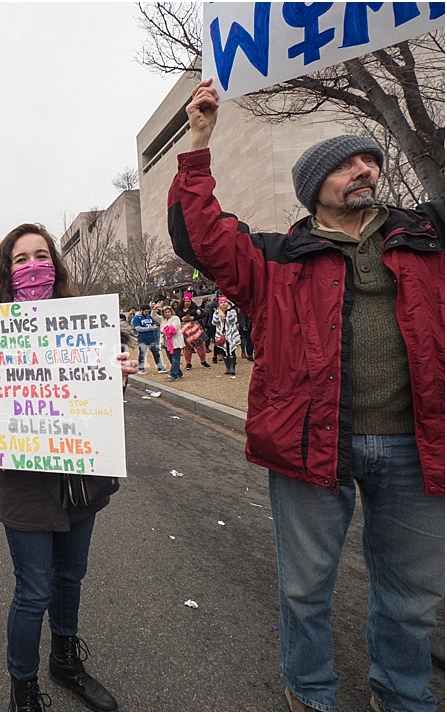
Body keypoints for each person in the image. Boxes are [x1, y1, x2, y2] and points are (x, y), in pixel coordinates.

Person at [169, 78, 444, 713]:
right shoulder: (274, 259)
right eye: (347, 164)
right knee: (304, 588)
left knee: (413, 594)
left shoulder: (427, 236)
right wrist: (201, 139)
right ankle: (311, 692)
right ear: (313, 186)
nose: (364, 170)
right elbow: (199, 235)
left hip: (419, 447)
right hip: (310, 445)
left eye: (369, 160)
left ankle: (402, 696)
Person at [0, 223, 136, 713]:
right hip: (23, 484)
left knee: (71, 575)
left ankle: (65, 662)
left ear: (55, 264)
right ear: (7, 270)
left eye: (40, 256)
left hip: (79, 481)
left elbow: (98, 401)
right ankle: (22, 684)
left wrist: (119, 376)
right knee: (34, 590)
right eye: (20, 259)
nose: (32, 266)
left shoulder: (86, 323)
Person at [176, 293, 211, 370]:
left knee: (200, 346)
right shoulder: (178, 310)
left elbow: (204, 314)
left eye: (189, 301)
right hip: (184, 330)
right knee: (186, 347)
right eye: (186, 301)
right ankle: (188, 363)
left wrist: (193, 318)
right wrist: (181, 319)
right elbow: (175, 317)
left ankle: (203, 361)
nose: (187, 303)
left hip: (196, 330)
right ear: (183, 302)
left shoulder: (196, 308)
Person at [132, 305, 166, 375]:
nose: (147, 313)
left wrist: (154, 327)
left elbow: (153, 324)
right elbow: (138, 328)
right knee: (142, 354)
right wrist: (150, 328)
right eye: (145, 311)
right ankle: (141, 368)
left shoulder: (149, 316)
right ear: (141, 310)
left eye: (148, 311)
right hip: (142, 338)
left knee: (156, 353)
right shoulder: (136, 318)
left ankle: (160, 367)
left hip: (152, 337)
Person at [211, 296, 240, 376]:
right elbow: (214, 322)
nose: (223, 304)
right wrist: (217, 314)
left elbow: (233, 320)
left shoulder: (233, 311)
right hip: (221, 334)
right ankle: (227, 367)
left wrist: (228, 313)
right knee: (224, 350)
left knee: (232, 350)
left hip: (231, 333)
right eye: (221, 303)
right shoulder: (217, 312)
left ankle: (232, 367)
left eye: (225, 302)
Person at [154, 305, 184, 381]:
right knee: (171, 359)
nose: (167, 313)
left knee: (175, 359)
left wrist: (162, 330)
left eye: (168, 312)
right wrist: (154, 308)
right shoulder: (163, 320)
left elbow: (172, 329)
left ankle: (173, 375)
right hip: (166, 343)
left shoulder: (175, 318)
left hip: (175, 342)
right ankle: (179, 373)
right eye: (165, 312)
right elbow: (154, 316)